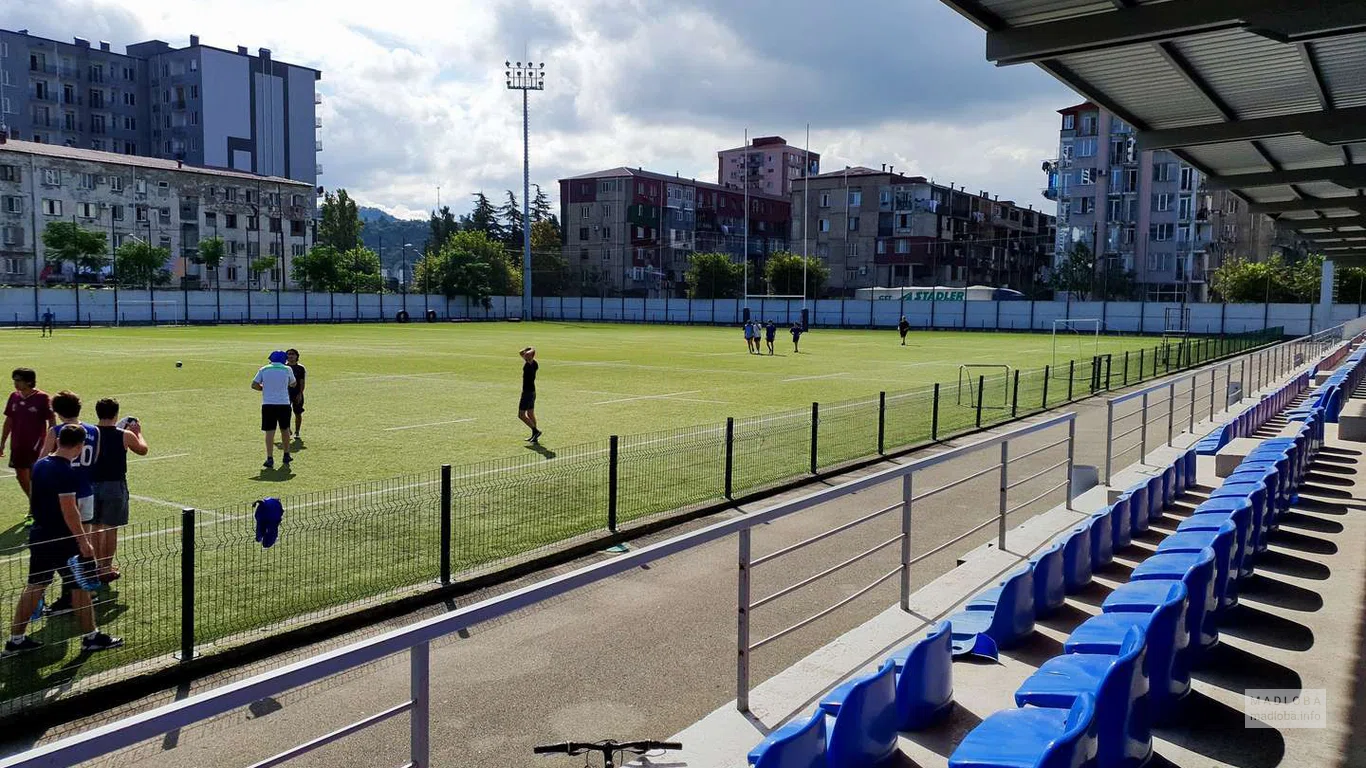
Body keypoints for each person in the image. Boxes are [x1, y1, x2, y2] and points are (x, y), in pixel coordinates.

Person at [5, 423, 123, 656]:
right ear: (79, 447)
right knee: (80, 586)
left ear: (58, 441)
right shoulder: (66, 472)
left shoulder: (40, 465)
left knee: (36, 585)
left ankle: (15, 639)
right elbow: (69, 510)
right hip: (63, 540)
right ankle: (91, 638)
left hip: (40, 535)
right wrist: (83, 540)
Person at [39, 391, 101, 615]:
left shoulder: (56, 431)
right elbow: (95, 458)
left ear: (57, 411)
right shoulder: (93, 430)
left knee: (66, 546)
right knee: (85, 541)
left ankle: (69, 595)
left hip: (65, 495)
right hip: (86, 491)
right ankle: (90, 587)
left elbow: (43, 459)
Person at [91, 398, 148, 582]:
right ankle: (106, 568)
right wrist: (138, 433)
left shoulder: (88, 433)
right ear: (116, 414)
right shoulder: (124, 435)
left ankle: (96, 566)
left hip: (90, 485)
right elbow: (142, 450)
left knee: (95, 527)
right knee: (110, 528)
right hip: (114, 486)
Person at [2, 368, 56, 505]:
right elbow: (9, 420)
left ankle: (36, 507)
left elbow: (51, 420)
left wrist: (52, 442)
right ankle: (34, 503)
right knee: (20, 476)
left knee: (35, 476)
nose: (15, 383)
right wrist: (2, 442)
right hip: (17, 444)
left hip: (36, 444)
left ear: (29, 381)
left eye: (19, 380)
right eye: (14, 380)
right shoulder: (14, 396)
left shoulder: (42, 398)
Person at [253, 351, 296, 470]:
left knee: (269, 432)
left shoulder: (264, 369)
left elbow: (254, 384)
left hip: (268, 404)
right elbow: (293, 383)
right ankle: (286, 454)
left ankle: (269, 457)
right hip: (283, 403)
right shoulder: (287, 369)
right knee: (285, 429)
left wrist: (264, 389)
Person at [518, 347, 541, 444]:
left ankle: (536, 431)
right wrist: (529, 348)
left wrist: (531, 349)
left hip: (527, 393)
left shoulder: (531, 363)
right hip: (532, 392)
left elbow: (526, 354)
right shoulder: (533, 363)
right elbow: (520, 352)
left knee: (521, 415)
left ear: (531, 355)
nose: (524, 355)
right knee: (530, 413)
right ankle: (534, 435)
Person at [286, 348, 306, 440]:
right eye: (289, 354)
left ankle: (297, 431)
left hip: (296, 393)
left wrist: (300, 394)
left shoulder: (300, 368)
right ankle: (287, 428)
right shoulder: (283, 367)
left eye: (292, 354)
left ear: (297, 356)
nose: (290, 356)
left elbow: (302, 382)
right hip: (285, 393)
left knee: (297, 413)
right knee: (285, 412)